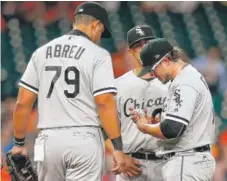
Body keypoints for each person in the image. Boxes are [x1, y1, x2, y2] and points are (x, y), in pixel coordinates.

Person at [10, 2, 126, 181]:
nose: (99, 36)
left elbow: (23, 102)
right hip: (84, 139)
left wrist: (18, 143)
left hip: (47, 141)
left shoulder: (41, 53)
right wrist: (117, 147)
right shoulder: (98, 54)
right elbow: (104, 102)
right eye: (101, 31)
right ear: (95, 25)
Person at [130, 38, 216, 180]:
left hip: (187, 161)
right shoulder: (186, 77)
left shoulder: (184, 82)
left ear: (165, 60)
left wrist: (143, 127)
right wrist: (154, 123)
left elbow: (172, 129)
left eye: (152, 69)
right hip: (191, 159)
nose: (152, 75)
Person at [105, 25, 168, 181]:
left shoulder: (173, 82)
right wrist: (118, 153)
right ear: (130, 51)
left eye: (147, 42)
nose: (143, 47)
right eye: (137, 45)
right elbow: (104, 129)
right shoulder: (117, 86)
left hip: (168, 162)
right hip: (132, 165)